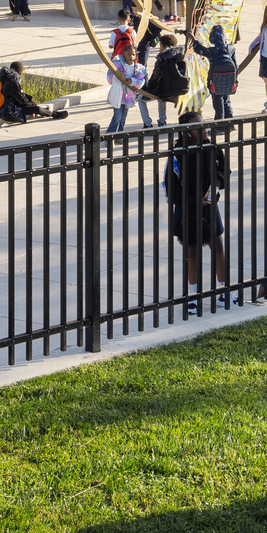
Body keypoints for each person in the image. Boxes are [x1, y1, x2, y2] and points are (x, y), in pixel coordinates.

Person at [164, 112, 230, 315]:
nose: (204, 129)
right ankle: (193, 296)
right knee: (191, 250)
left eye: (204, 125)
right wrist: (194, 201)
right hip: (187, 207)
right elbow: (171, 189)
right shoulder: (177, 155)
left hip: (210, 205)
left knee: (218, 246)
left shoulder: (213, 148)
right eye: (198, 126)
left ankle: (224, 291)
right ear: (186, 131)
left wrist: (216, 185)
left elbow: (224, 173)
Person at [0, 60, 68, 123]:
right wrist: (31, 108)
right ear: (20, 73)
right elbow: (21, 99)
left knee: (28, 99)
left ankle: (44, 111)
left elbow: (18, 95)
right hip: (8, 112)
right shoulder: (13, 81)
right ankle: (54, 114)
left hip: (0, 109)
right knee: (36, 109)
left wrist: (31, 102)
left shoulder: (4, 78)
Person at [105, 37, 148, 134]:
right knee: (117, 117)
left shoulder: (138, 68)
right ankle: (109, 135)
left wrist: (132, 81)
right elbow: (109, 78)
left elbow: (141, 81)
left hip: (129, 96)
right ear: (123, 55)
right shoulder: (116, 64)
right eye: (128, 54)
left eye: (133, 54)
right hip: (118, 95)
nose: (131, 57)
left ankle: (119, 134)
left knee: (123, 118)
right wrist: (117, 75)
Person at [198, 22, 239, 120]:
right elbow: (236, 66)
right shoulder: (231, 48)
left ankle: (220, 125)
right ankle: (230, 122)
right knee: (226, 100)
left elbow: (199, 49)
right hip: (229, 80)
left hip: (215, 81)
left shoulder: (212, 51)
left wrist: (193, 39)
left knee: (218, 103)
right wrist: (235, 79)